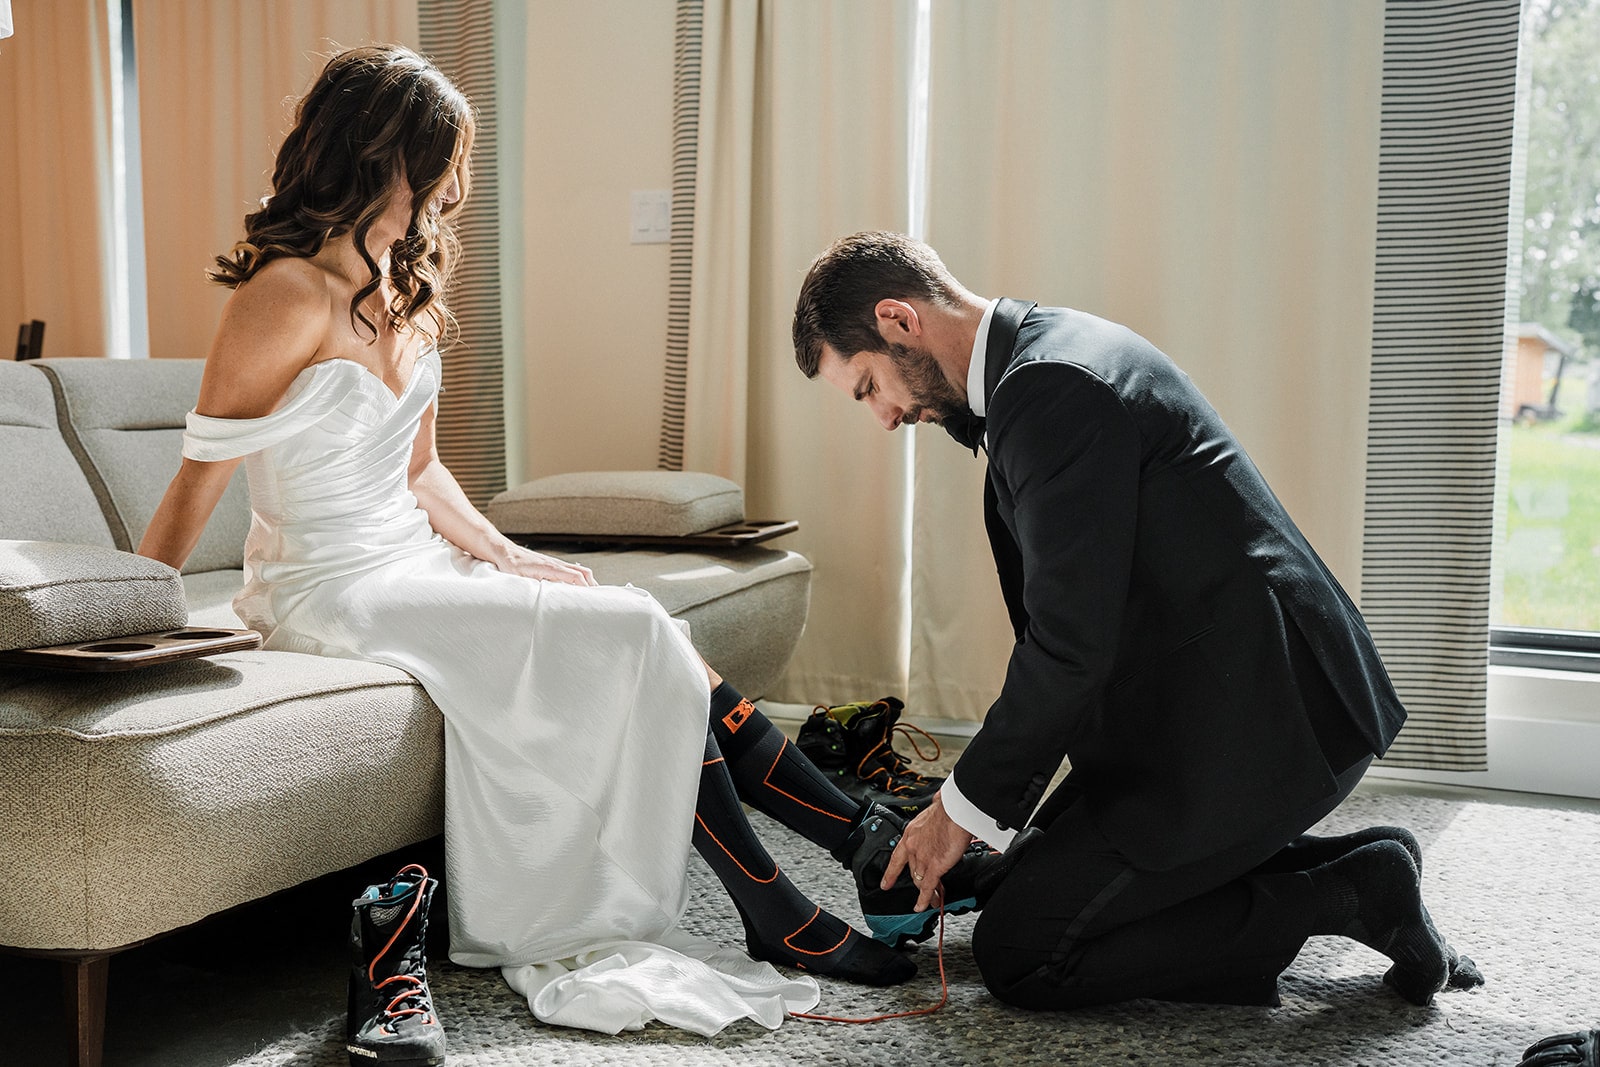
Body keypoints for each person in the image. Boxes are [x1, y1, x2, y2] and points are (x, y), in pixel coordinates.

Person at [136, 49, 964, 1041]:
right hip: (330, 588)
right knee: (628, 628)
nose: (444, 190)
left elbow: (420, 469)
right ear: (373, 154)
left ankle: (816, 874)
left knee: (631, 624)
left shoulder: (403, 286)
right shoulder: (285, 293)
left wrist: (503, 551)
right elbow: (200, 474)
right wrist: (135, 611)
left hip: (413, 560)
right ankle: (801, 890)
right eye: (431, 165)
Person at [791, 230, 1486, 1010]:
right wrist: (973, 821)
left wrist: (957, 807)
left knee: (1025, 951)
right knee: (1027, 875)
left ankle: (1351, 896)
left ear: (898, 320)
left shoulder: (1047, 389)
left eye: (867, 387)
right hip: (1208, 688)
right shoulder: (1042, 357)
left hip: (1268, 714)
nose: (883, 416)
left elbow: (1068, 648)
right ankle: (1369, 864)